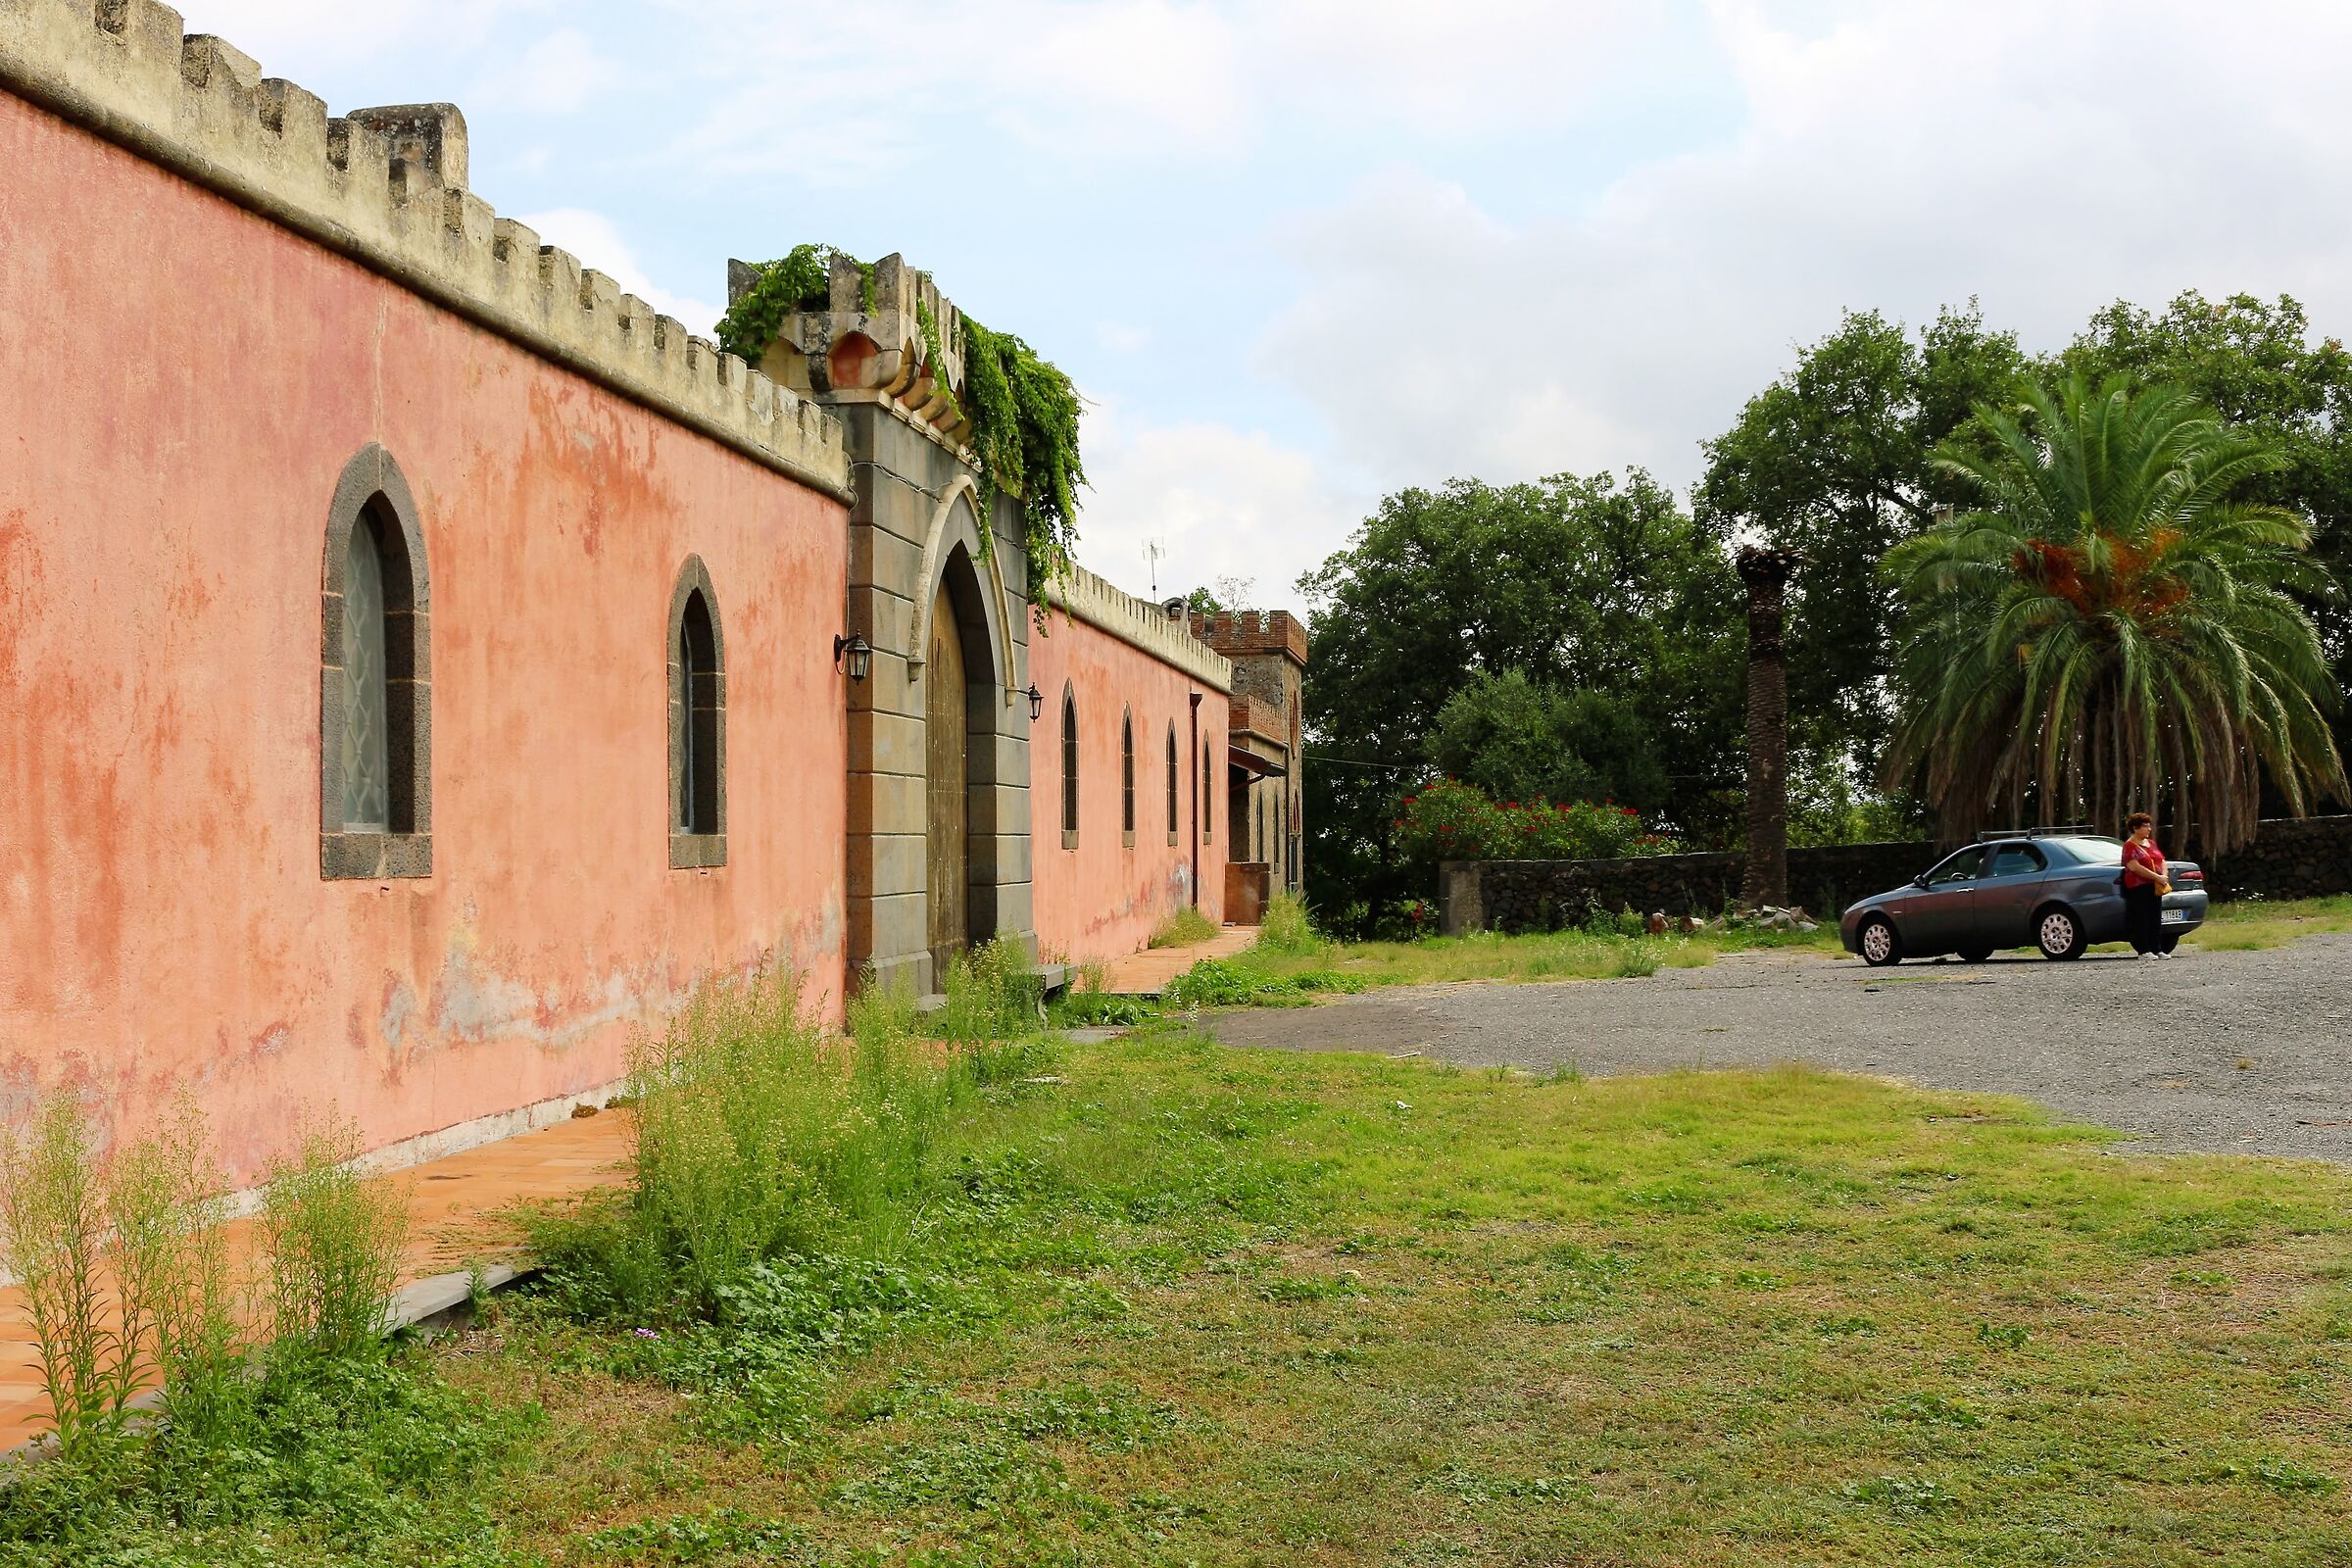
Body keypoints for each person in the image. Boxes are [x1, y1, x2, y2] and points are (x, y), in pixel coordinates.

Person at [2121, 811, 2173, 959]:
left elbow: (2161, 860)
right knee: (2141, 917)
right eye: (2145, 826)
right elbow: (2134, 866)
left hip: (2154, 886)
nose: (2149, 829)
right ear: (2135, 828)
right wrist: (2156, 876)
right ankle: (2143, 950)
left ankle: (2157, 948)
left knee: (2155, 917)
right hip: (2138, 887)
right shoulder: (2130, 846)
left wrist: (2164, 876)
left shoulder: (2152, 843)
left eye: (2149, 826)